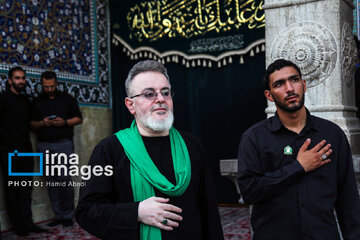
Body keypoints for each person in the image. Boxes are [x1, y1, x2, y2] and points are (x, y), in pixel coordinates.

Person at [75, 60, 224, 240]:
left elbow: (208, 210)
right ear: (131, 105)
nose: (160, 99)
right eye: (149, 94)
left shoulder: (191, 145)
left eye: (165, 93)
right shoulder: (110, 150)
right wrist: (136, 212)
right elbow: (87, 211)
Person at [237, 59, 360, 240]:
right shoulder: (254, 138)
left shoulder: (331, 134)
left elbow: (348, 200)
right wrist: (298, 166)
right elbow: (249, 192)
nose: (289, 88)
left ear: (303, 85)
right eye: (279, 84)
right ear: (269, 95)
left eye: (294, 80)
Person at [30, 71, 82, 227]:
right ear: (42, 85)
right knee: (51, 181)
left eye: (51, 86)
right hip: (44, 144)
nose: (49, 89)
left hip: (63, 144)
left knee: (64, 179)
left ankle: (68, 215)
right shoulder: (37, 101)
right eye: (46, 87)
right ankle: (58, 215)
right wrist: (43, 123)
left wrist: (64, 122)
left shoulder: (67, 99)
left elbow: (79, 118)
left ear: (56, 84)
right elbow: (32, 124)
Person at [0, 66, 47, 236]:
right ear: (10, 80)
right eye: (17, 78)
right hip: (9, 151)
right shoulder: (3, 99)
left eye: (23, 78)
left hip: (26, 150)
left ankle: (29, 223)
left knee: (26, 188)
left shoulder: (26, 101)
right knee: (13, 189)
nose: (21, 81)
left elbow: (31, 124)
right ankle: (18, 226)